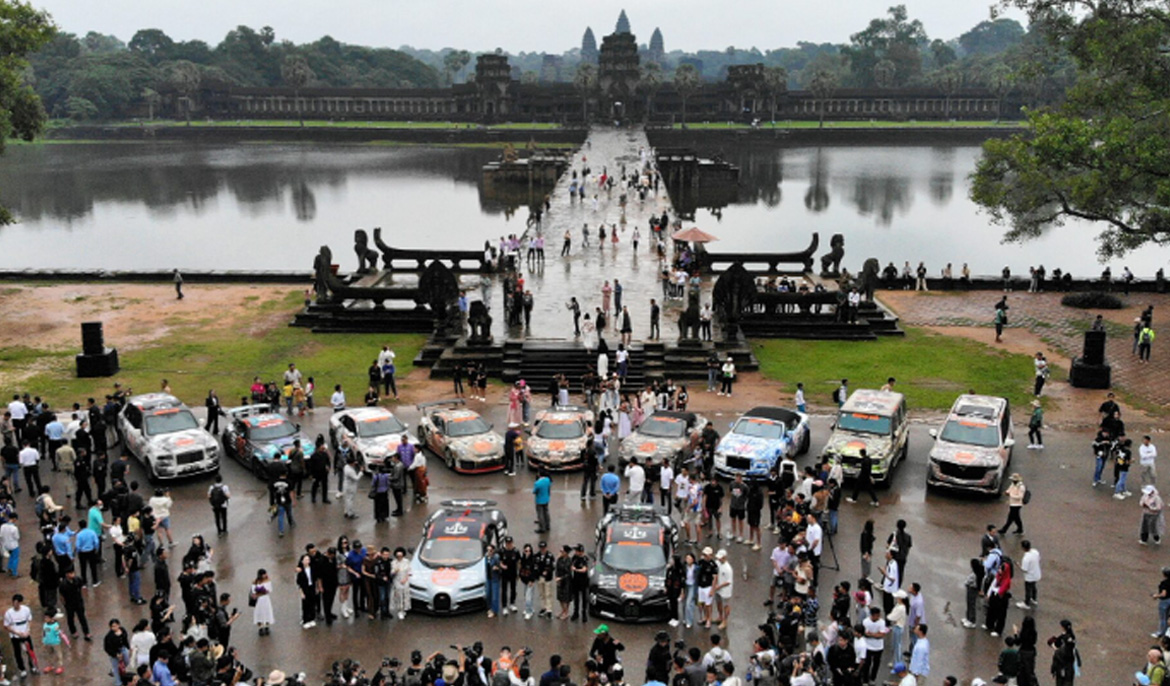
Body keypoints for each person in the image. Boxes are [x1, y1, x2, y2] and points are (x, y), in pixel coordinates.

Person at [1018, 539, 1042, 609]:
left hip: (1029, 576)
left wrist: (1019, 565)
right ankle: (1034, 599)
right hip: (1036, 573)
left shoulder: (1026, 558)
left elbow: (1024, 569)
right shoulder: (1035, 552)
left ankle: (1026, 603)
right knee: (1034, 587)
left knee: (1028, 589)